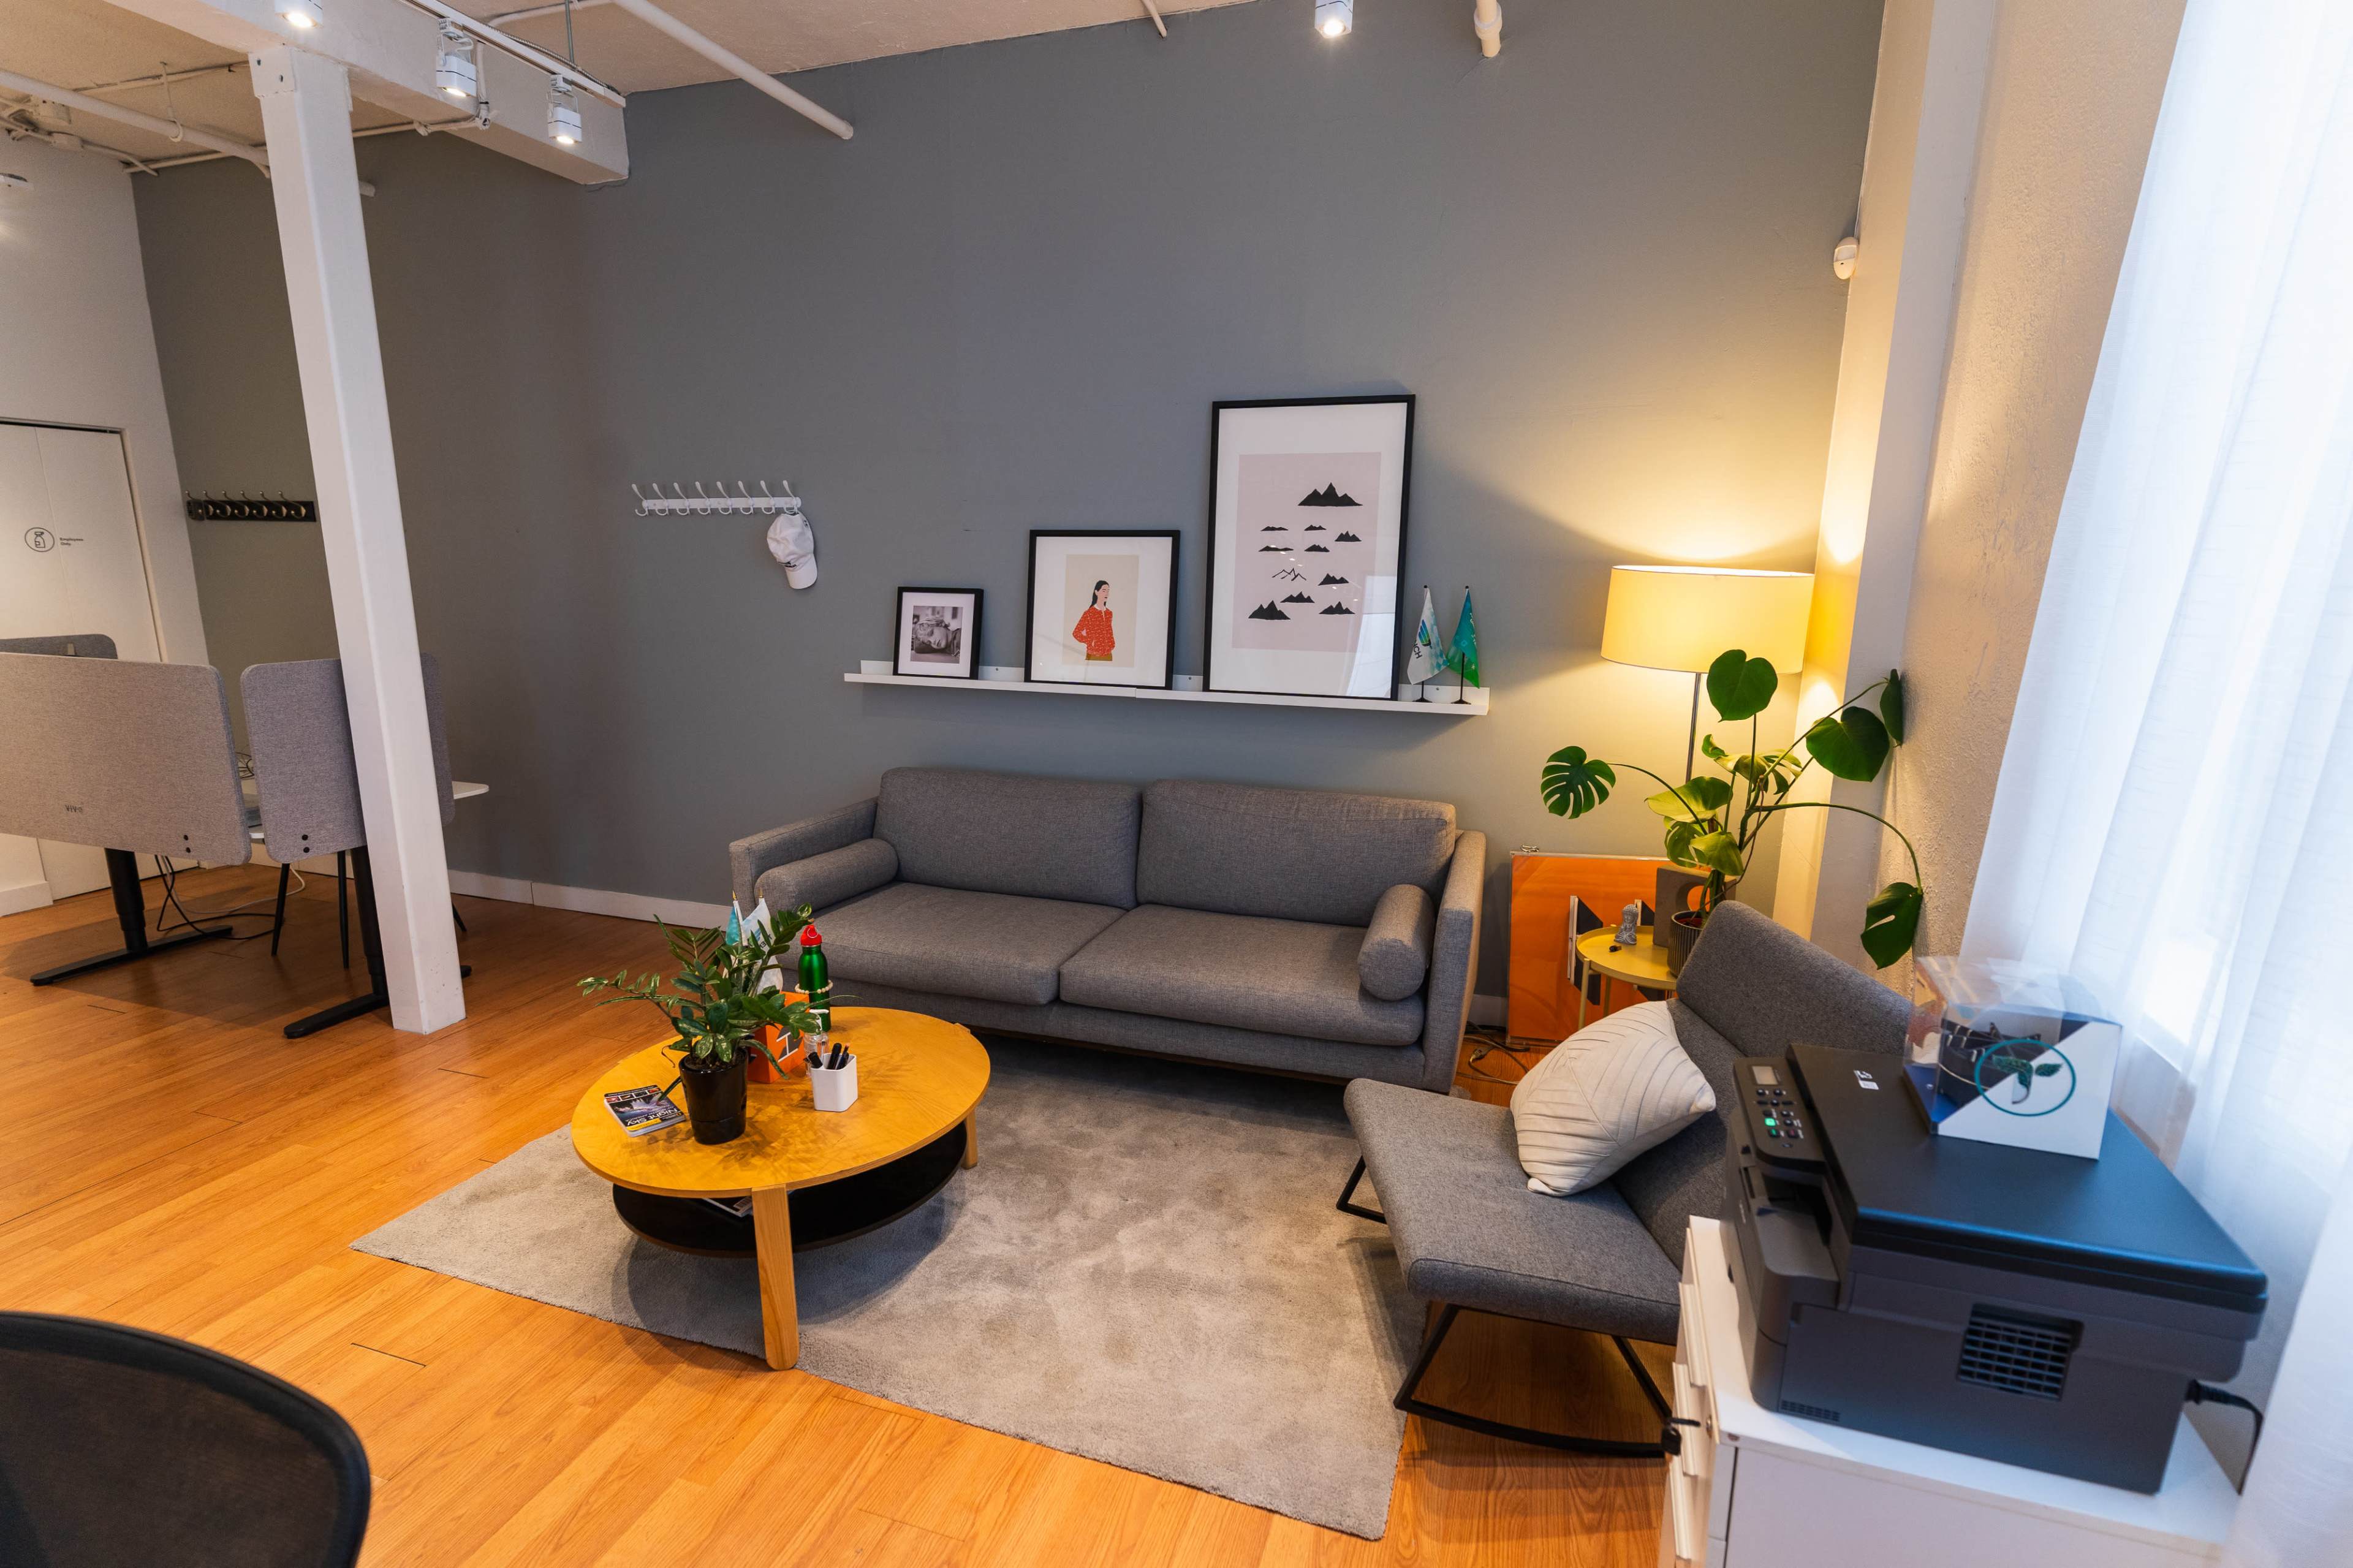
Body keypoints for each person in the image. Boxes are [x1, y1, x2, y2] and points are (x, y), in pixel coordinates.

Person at [1072, 580, 1115, 662]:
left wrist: (1111, 644)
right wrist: (1090, 640)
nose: (1107, 593)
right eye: (1104, 591)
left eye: (1108, 591)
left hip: (1109, 655)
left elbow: (1110, 631)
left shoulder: (1109, 613)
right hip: (1093, 655)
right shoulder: (1089, 613)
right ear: (1096, 592)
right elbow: (1076, 633)